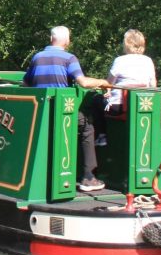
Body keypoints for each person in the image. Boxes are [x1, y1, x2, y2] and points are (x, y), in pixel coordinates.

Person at [23, 26, 111, 192]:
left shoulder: (37, 57)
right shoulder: (68, 58)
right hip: (59, 113)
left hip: (39, 114)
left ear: (51, 39)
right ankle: (88, 177)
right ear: (67, 41)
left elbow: (26, 83)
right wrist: (102, 82)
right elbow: (83, 82)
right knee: (87, 126)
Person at [106, 28, 156, 113]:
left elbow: (108, 83)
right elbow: (153, 84)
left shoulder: (120, 60)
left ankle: (98, 126)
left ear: (127, 44)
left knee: (96, 100)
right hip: (142, 105)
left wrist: (107, 90)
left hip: (119, 105)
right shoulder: (148, 60)